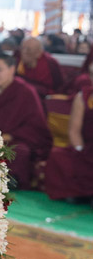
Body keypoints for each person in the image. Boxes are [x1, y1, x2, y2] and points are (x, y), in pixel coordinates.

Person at [0, 53, 52, 190]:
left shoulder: (26, 92)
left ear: (12, 69)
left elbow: (36, 126)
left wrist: (9, 136)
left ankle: (10, 179)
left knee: (19, 151)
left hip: (14, 139)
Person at [44, 61, 93, 202]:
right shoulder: (84, 97)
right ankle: (78, 194)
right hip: (87, 149)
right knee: (57, 156)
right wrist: (80, 151)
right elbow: (74, 131)